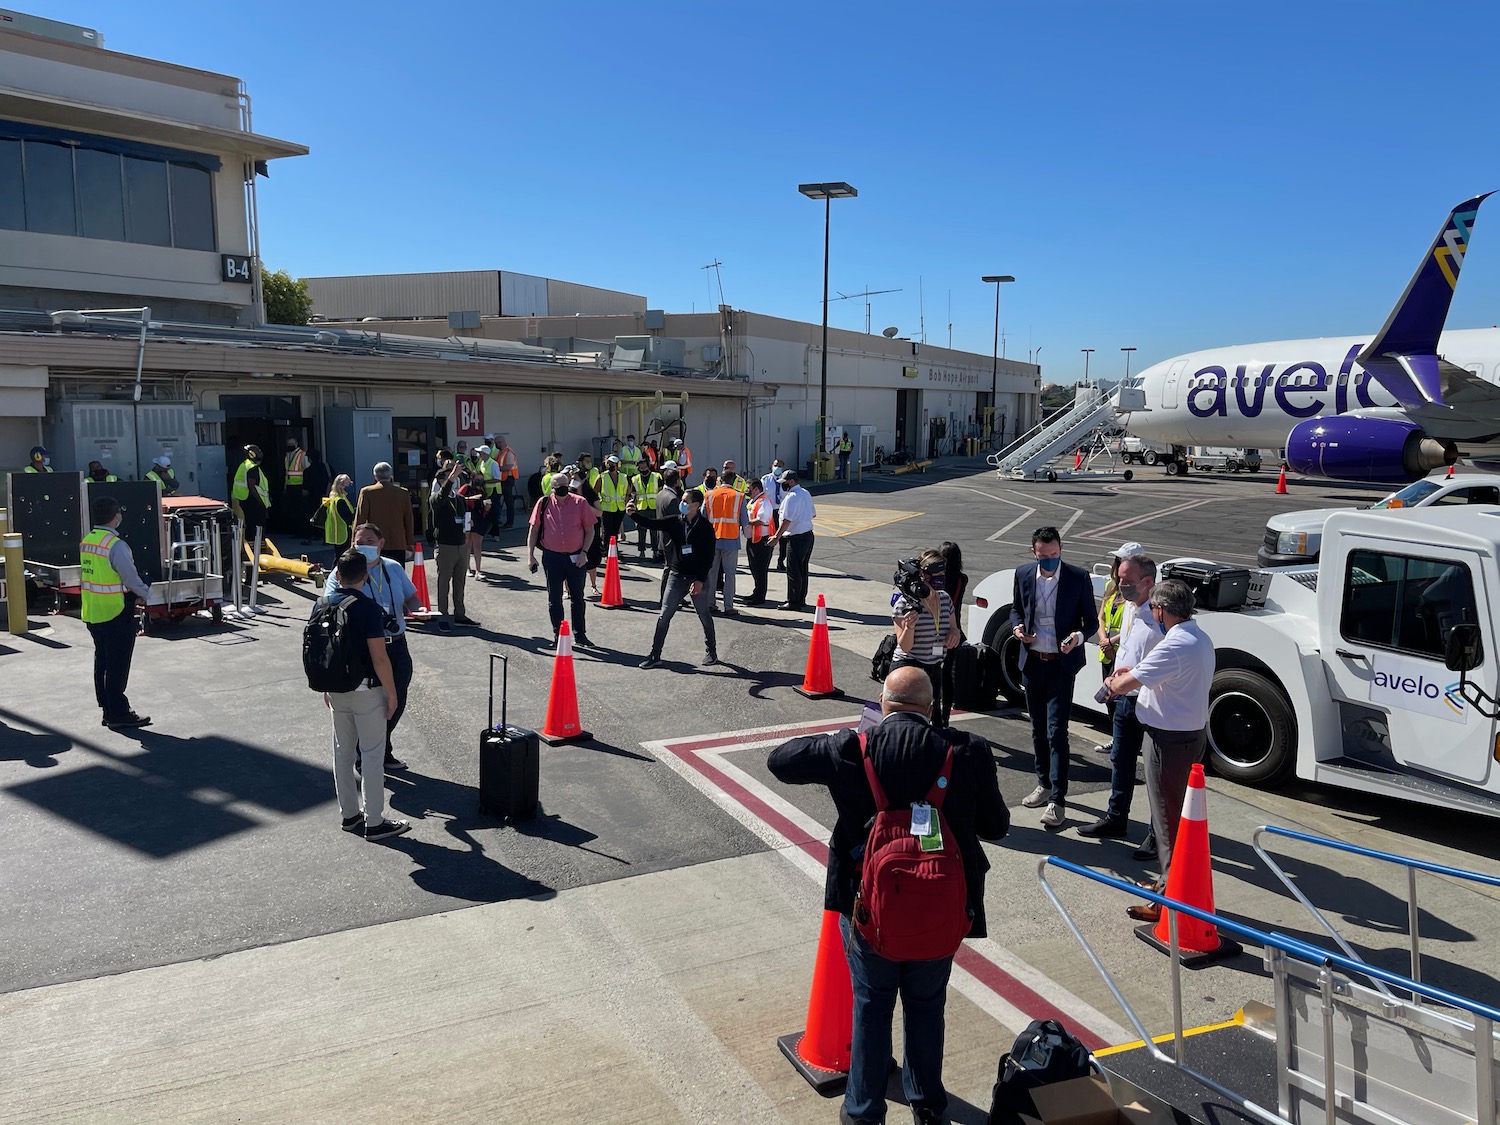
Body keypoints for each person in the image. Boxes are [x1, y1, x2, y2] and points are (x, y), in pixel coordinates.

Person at [767, 667, 1008, 1125]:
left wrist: (844, 738)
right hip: (941, 909)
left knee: (871, 1006)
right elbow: (996, 826)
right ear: (932, 707)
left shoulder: (855, 749)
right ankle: (928, 1107)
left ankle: (863, 1111)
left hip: (866, 908)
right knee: (926, 1006)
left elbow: (780, 761)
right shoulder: (966, 750)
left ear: (882, 703)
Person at [1101, 578, 1215, 921]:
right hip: (1189, 735)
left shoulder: (1174, 644)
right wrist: (1132, 671)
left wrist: (1113, 682)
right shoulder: (1198, 637)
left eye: (1154, 609)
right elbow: (1156, 673)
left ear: (1162, 610)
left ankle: (1167, 899)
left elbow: (1125, 685)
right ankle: (1172, 885)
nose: (1152, 614)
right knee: (1176, 818)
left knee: (1166, 823)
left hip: (1167, 741)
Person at [1008, 526, 1100, 832]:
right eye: (1043, 556)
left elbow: (1091, 622)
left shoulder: (1077, 577)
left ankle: (1058, 800)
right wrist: (1018, 628)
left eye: (1054, 556)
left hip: (1061, 665)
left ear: (1061, 550)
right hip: (1033, 662)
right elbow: (1015, 610)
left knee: (1056, 731)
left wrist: (1077, 636)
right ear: (1033, 552)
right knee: (1036, 728)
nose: (1049, 562)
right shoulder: (1023, 574)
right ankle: (1043, 783)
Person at [317, 549, 409, 842]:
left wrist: (325, 686)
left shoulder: (321, 603)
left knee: (343, 753)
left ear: (338, 575)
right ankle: (375, 821)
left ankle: (349, 815)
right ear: (364, 576)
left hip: (335, 688)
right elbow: (380, 658)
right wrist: (392, 693)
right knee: (371, 755)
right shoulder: (367, 608)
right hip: (366, 690)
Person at [323, 524, 421, 771]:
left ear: (381, 543)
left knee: (395, 700)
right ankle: (367, 756)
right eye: (358, 541)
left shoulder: (393, 568)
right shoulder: (343, 572)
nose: (363, 545)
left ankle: (381, 749)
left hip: (396, 645)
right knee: (370, 705)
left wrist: (416, 608)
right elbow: (329, 606)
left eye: (369, 540)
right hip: (364, 649)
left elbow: (410, 597)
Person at [1078, 554, 1159, 843]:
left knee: (1154, 772)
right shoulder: (1128, 609)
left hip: (1151, 703)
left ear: (1148, 582)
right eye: (1119, 578)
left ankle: (1157, 834)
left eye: (1127, 581)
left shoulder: (1160, 617)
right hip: (1124, 699)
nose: (1120, 585)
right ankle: (1116, 818)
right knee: (1120, 760)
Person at [81, 495, 153, 729]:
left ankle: (108, 709)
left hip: (93, 610)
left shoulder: (88, 540)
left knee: (102, 662)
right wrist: (145, 592)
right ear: (116, 517)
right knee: (117, 665)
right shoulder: (116, 546)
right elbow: (129, 577)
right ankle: (119, 713)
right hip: (115, 611)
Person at [627, 488, 718, 669]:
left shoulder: (705, 527)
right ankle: (655, 655)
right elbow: (653, 524)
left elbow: (709, 557)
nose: (682, 504)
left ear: (696, 505)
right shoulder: (675, 521)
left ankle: (712, 651)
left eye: (685, 501)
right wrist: (633, 515)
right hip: (676, 575)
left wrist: (700, 580)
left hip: (696, 578)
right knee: (664, 615)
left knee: (704, 614)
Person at [527, 467, 597, 647]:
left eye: (565, 485)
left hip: (576, 557)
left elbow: (590, 530)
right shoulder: (543, 503)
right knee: (554, 599)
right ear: (552, 488)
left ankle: (580, 635)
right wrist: (531, 556)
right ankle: (558, 636)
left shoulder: (580, 503)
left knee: (577, 598)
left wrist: (584, 553)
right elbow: (533, 530)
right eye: (559, 486)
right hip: (552, 558)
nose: (563, 488)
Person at [891, 551, 961, 718]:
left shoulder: (944, 599)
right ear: (924, 576)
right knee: (908, 717)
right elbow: (905, 647)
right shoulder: (906, 603)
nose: (940, 578)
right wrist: (909, 627)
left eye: (942, 574)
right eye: (935, 574)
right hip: (909, 666)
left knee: (934, 715)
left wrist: (954, 633)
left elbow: (954, 628)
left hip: (934, 665)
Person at [1091, 542, 1143, 753]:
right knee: (1110, 699)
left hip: (1123, 654)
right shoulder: (1110, 587)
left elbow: (1135, 625)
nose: (1117, 564)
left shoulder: (1138, 593)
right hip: (1107, 652)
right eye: (1118, 560)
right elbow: (1101, 616)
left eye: (1122, 560)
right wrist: (1103, 639)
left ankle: (1130, 742)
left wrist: (1112, 642)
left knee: (1126, 701)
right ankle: (1117, 737)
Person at [428, 461, 480, 631]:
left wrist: (469, 522)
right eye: (450, 478)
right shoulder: (436, 499)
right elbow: (441, 497)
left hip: (460, 544)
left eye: (456, 478)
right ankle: (442, 615)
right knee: (444, 582)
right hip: (445, 546)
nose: (455, 481)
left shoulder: (458, 499)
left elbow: (463, 517)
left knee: (460, 581)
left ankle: (460, 613)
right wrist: (451, 477)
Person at [230, 444, 271, 615]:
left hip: (244, 501)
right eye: (259, 451)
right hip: (253, 503)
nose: (261, 453)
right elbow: (252, 485)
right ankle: (255, 564)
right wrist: (261, 503)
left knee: (251, 532)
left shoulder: (244, 464)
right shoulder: (252, 467)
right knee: (257, 533)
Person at [769, 469, 816, 611]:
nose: (783, 485)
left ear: (791, 482)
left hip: (796, 537)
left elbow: (786, 520)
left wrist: (776, 537)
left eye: (784, 483)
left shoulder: (791, 497)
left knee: (793, 570)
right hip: (808, 535)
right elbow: (813, 514)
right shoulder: (806, 493)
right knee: (802, 569)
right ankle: (801, 598)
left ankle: (793, 601)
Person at [354, 462, 414, 565]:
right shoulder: (403, 492)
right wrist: (409, 542)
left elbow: (360, 519)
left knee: (373, 574)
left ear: (375, 476)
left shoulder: (367, 492)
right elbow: (408, 519)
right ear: (391, 476)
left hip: (373, 542)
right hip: (397, 541)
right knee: (396, 575)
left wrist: (355, 541)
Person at [937, 541, 970, 729]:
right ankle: (946, 716)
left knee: (933, 673)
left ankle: (934, 714)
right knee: (947, 674)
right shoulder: (961, 579)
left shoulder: (936, 581)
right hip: (953, 630)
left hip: (936, 630)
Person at [705, 470, 747, 614]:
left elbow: (703, 518)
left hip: (711, 540)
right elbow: (744, 521)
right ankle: (728, 606)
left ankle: (710, 603)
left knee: (711, 572)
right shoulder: (739, 496)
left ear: (719, 480)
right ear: (734, 481)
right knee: (730, 574)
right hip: (731, 539)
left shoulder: (709, 495)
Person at [569, 468, 606, 593]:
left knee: (591, 559)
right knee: (570, 560)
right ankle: (567, 589)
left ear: (583, 479)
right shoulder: (569, 494)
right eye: (572, 479)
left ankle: (593, 586)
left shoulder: (590, 493)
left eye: (576, 479)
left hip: (590, 531)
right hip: (574, 532)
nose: (573, 481)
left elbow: (599, 512)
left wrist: (584, 504)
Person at [742, 477, 774, 606]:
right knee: (754, 567)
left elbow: (761, 520)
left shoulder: (763, 502)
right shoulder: (753, 501)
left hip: (761, 540)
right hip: (753, 539)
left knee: (760, 569)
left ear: (756, 489)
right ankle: (756, 592)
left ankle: (760, 596)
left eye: (748, 489)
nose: (746, 491)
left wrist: (745, 521)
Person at [596, 454, 631, 566]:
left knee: (614, 532)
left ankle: (614, 551)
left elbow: (628, 492)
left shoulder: (624, 477)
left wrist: (626, 502)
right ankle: (607, 552)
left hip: (619, 508)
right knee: (607, 531)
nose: (612, 466)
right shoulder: (602, 476)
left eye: (614, 464)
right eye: (610, 464)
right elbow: (595, 491)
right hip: (606, 508)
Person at [459, 467, 490, 578]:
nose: (480, 481)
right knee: (467, 544)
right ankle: (467, 568)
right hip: (467, 516)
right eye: (477, 479)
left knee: (478, 545)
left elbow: (484, 504)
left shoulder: (482, 490)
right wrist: (472, 498)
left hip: (478, 517)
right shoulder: (466, 488)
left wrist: (487, 508)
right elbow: (458, 499)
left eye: (481, 479)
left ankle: (478, 570)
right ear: (472, 479)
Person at [630, 458, 663, 558]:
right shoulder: (635, 479)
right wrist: (633, 509)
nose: (642, 468)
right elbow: (633, 495)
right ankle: (641, 551)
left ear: (648, 466)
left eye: (644, 466)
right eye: (640, 466)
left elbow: (661, 492)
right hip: (641, 508)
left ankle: (655, 551)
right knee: (641, 531)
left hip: (654, 507)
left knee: (654, 531)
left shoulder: (656, 476)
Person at [319, 474, 356, 555]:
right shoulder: (340, 501)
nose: (351, 486)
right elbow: (348, 518)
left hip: (339, 533)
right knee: (342, 557)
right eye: (349, 484)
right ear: (341, 486)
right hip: (344, 534)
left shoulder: (335, 499)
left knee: (339, 556)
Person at [761, 459, 788, 570]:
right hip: (769, 512)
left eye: (780, 466)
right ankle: (766, 562)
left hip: (781, 512)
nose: (777, 468)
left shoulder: (786, 481)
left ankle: (781, 561)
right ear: (772, 466)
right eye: (776, 465)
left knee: (783, 539)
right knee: (769, 537)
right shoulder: (765, 479)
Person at [494, 436, 520, 529]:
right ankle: (498, 519)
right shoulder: (501, 453)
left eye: (496, 443)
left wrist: (495, 469)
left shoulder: (509, 453)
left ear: (501, 442)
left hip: (508, 479)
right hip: (502, 479)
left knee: (508, 501)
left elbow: (508, 467)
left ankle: (510, 522)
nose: (496, 445)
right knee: (497, 500)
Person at [284, 437, 308, 531]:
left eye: (292, 444)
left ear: (296, 443)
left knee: (300, 510)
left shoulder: (302, 455)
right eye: (288, 445)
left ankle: (303, 530)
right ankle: (297, 530)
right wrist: (285, 487)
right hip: (290, 486)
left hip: (299, 486)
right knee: (293, 510)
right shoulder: (288, 456)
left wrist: (305, 487)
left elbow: (307, 471)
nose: (290, 446)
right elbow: (287, 472)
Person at [303, 448, 330, 523]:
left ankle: (314, 533)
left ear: (309, 459)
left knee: (314, 518)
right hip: (327, 497)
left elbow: (305, 490)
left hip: (312, 499)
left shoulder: (307, 472)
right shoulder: (327, 467)